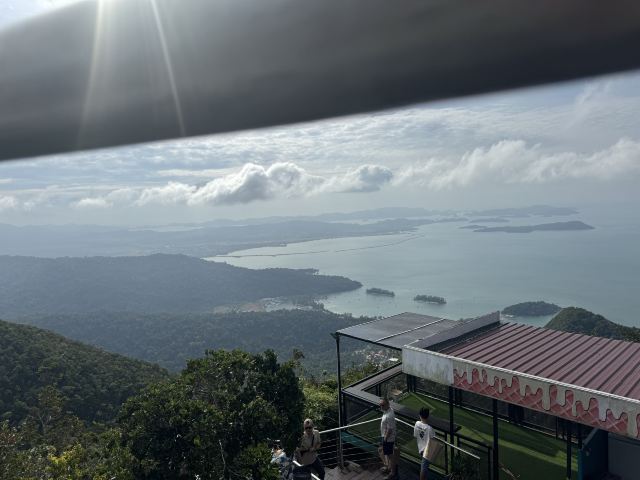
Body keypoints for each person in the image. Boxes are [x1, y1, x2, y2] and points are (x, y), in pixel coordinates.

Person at [414, 407, 435, 480]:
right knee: (424, 467)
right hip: (427, 450)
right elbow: (433, 440)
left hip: (420, 448)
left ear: (420, 415)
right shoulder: (430, 429)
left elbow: (415, 435)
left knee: (424, 466)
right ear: (428, 416)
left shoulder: (417, 423)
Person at [378, 398, 397, 480]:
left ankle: (392, 472)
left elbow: (390, 429)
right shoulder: (388, 410)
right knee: (383, 451)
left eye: (382, 405)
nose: (381, 406)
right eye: (380, 405)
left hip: (388, 438)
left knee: (390, 456)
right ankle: (387, 467)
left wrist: (385, 439)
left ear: (387, 405)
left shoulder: (389, 415)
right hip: (385, 437)